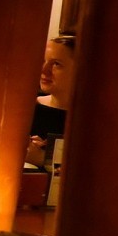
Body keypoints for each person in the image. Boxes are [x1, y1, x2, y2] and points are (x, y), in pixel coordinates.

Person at [26, 35, 76, 167]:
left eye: (56, 64)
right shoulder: (25, 108)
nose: (44, 70)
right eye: (43, 60)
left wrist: (43, 159)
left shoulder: (96, 121)